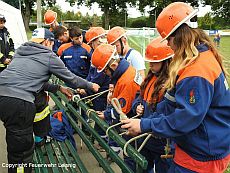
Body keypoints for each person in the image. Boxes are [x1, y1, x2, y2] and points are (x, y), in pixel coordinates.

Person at [121, 2, 230, 173]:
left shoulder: (197, 70)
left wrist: (145, 125)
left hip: (201, 156)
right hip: (198, 147)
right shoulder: (196, 60)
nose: (169, 46)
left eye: (169, 40)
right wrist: (145, 120)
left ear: (180, 35)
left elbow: (186, 118)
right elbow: (171, 103)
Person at [0, 28, 99, 173]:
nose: (53, 46)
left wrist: (58, 87)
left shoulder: (21, 52)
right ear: (47, 41)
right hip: (20, 103)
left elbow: (31, 79)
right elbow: (72, 79)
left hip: (3, 96)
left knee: (15, 140)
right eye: (52, 43)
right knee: (23, 150)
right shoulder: (48, 56)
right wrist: (91, 85)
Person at [91, 44, 142, 168]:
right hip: (129, 116)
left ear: (113, 65)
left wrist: (106, 114)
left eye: (105, 71)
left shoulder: (127, 81)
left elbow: (121, 109)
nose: (105, 74)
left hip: (131, 121)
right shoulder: (123, 72)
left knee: (130, 155)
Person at [131, 36, 174, 173]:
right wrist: (136, 105)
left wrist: (146, 123)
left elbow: (166, 113)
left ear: (166, 62)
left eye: (154, 62)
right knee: (143, 167)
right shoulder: (149, 78)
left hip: (160, 140)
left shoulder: (171, 84)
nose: (150, 65)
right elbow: (139, 96)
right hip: (145, 135)